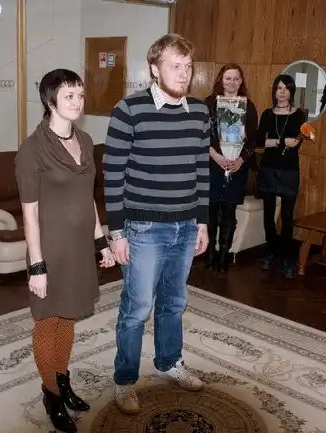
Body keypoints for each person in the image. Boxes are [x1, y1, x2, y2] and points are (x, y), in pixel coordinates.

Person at [103, 33, 210, 415]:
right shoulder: (128, 110)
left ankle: (168, 362)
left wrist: (202, 223)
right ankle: (125, 380)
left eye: (188, 66)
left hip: (186, 225)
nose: (183, 74)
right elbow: (112, 176)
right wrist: (116, 233)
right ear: (154, 68)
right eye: (174, 66)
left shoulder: (199, 112)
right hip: (143, 229)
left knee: (174, 302)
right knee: (137, 307)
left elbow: (201, 171)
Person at [15, 68, 116, 433]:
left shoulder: (85, 141)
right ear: (50, 100)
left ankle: (62, 380)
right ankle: (52, 395)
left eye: (80, 95)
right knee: (48, 320)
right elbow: (29, 214)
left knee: (68, 316)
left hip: (78, 248)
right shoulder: (32, 149)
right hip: (50, 250)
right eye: (69, 95)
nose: (77, 102)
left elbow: (88, 198)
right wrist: (37, 265)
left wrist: (100, 241)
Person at [203, 63, 258, 273]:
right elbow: (201, 136)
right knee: (210, 212)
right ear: (221, 80)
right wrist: (217, 157)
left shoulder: (248, 107)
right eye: (228, 78)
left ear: (241, 81)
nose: (232, 82)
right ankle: (209, 255)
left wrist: (240, 161)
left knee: (229, 212)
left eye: (236, 79)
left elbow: (252, 141)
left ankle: (223, 257)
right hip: (213, 165)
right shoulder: (209, 104)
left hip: (236, 168)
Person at [255, 74, 307, 278]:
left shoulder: (299, 115)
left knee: (286, 216)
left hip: (289, 170)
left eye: (286, 88)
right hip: (268, 168)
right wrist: (281, 142)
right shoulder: (267, 114)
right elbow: (259, 141)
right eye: (279, 88)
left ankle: (286, 258)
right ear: (274, 91)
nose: (282, 92)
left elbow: (297, 142)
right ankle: (271, 252)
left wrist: (280, 141)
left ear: (291, 91)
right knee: (268, 215)